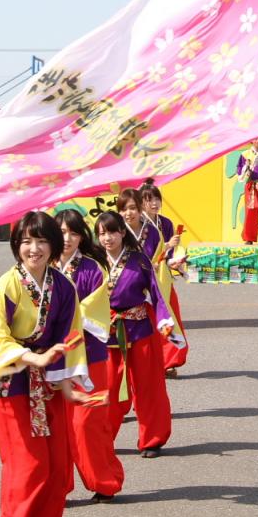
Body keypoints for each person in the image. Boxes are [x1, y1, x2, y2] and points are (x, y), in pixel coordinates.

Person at [0, 210, 89, 517]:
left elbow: (70, 334)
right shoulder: (5, 288)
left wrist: (67, 378)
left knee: (56, 466)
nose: (34, 249)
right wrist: (33, 357)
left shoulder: (63, 286)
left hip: (49, 381)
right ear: (16, 246)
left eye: (41, 241)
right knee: (28, 465)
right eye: (26, 242)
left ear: (53, 245)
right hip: (13, 381)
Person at [95, 211, 183, 458]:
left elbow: (156, 294)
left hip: (140, 328)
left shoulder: (140, 260)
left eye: (112, 232)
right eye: (102, 233)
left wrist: (165, 323)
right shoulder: (94, 263)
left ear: (122, 232)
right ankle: (102, 437)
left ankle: (152, 439)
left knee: (148, 385)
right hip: (107, 334)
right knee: (108, 387)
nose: (107, 238)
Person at [53, 208, 122, 504]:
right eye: (61, 232)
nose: (67, 239)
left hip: (89, 357)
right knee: (56, 427)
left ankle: (105, 481)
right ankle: (58, 486)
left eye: (73, 232)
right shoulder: (44, 266)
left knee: (88, 423)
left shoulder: (94, 269)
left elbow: (95, 311)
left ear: (82, 236)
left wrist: (58, 320)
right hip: (52, 359)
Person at [139, 179, 188, 377]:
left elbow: (169, 255)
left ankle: (169, 361)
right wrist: (167, 246)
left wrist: (175, 259)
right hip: (144, 280)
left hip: (163, 278)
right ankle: (149, 361)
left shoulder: (165, 223)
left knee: (170, 316)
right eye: (148, 200)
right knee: (150, 321)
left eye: (156, 199)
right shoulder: (138, 226)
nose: (154, 203)